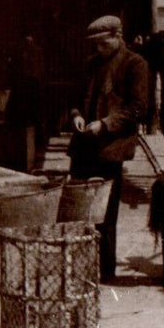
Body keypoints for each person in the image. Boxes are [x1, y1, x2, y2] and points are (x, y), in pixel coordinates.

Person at [67, 15, 149, 282]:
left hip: (110, 148)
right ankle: (80, 269)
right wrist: (77, 114)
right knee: (78, 209)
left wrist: (105, 124)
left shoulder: (134, 64)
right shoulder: (91, 65)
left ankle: (105, 273)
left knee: (104, 214)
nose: (99, 49)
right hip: (83, 146)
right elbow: (76, 98)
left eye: (103, 44)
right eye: (96, 45)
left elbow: (138, 108)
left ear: (117, 36)